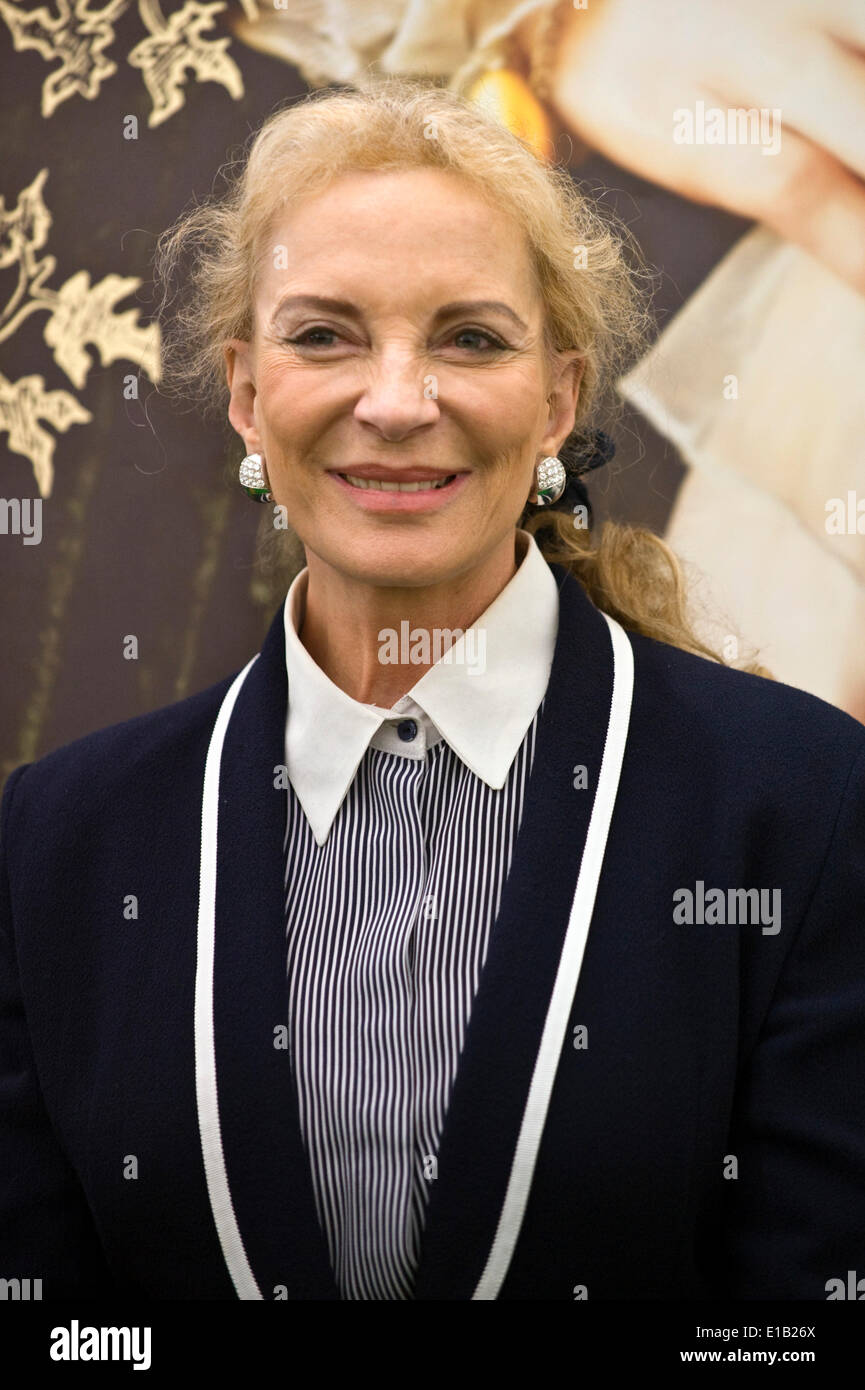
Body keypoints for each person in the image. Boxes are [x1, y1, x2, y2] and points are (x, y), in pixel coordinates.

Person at [1, 78, 863, 1302]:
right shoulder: (61, 842)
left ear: (558, 399)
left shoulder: (799, 803)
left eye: (470, 338)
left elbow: (805, 1324)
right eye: (323, 334)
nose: (398, 403)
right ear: (246, 395)